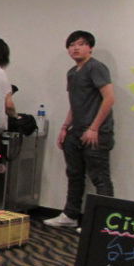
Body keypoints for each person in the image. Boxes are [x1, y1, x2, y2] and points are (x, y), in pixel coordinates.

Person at [44, 31, 115, 228]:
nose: (75, 48)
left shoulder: (96, 67)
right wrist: (65, 127)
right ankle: (70, 214)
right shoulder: (72, 72)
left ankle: (102, 224)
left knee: (100, 178)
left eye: (81, 44)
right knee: (74, 174)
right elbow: (75, 104)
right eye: (72, 45)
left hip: (96, 133)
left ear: (90, 47)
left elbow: (109, 99)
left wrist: (94, 128)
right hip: (76, 131)